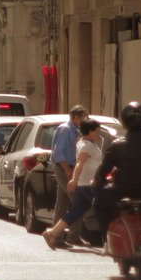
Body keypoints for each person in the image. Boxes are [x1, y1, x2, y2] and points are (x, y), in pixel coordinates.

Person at [91, 101, 141, 235]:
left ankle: (106, 240)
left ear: (124, 121)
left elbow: (103, 170)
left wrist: (97, 182)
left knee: (98, 204)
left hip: (120, 190)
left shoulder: (117, 145)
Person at [42, 119, 104, 249]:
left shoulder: (88, 143)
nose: (99, 133)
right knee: (105, 209)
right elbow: (80, 164)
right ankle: (110, 243)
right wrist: (74, 180)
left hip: (85, 184)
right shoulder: (86, 145)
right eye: (97, 131)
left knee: (75, 212)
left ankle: (52, 233)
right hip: (88, 185)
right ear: (90, 132)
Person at [49, 105, 88, 247]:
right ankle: (72, 235)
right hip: (63, 167)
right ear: (74, 117)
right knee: (78, 201)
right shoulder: (66, 129)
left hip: (67, 167)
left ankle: (56, 236)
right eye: (83, 117)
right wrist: (67, 169)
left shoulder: (75, 130)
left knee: (62, 202)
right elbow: (58, 153)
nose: (85, 119)